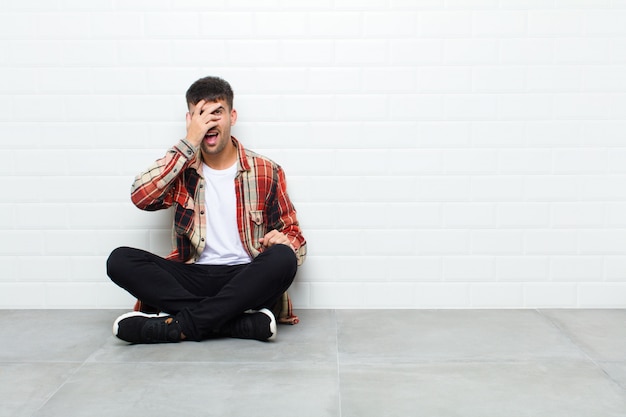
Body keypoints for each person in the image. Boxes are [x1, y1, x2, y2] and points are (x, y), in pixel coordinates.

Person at [106, 76, 306, 344]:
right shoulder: (181, 170)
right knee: (120, 260)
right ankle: (236, 323)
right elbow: (141, 196)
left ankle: (178, 325)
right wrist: (188, 143)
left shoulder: (266, 171)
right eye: (201, 114)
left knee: (283, 258)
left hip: (245, 277)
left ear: (232, 116)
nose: (210, 122)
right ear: (190, 120)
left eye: (217, 112)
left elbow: (296, 240)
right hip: (193, 275)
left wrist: (285, 241)